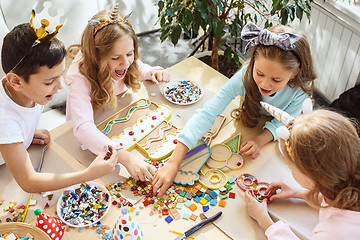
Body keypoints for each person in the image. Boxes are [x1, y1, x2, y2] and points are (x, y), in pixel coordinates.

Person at [152, 21, 317, 196]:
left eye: (276, 80)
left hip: (276, 136)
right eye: (259, 73)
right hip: (249, 118)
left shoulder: (301, 87)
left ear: (294, 74)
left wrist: (259, 140)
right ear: (253, 62)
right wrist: (173, 163)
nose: (265, 83)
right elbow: (208, 113)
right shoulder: (243, 77)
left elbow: (285, 122)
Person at [0, 20, 117, 193]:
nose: (60, 86)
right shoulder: (5, 121)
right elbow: (29, 182)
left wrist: (23, 136)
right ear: (16, 81)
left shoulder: (27, 91)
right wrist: (89, 174)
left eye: (60, 76)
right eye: (49, 82)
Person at [66, 4, 169, 182]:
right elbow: (83, 128)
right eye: (115, 58)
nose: (126, 63)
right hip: (90, 136)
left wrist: (152, 71)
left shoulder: (126, 59)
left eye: (130, 54)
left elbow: (139, 67)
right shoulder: (79, 74)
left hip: (116, 119)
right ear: (96, 56)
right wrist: (126, 158)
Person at [245, 104, 360, 239]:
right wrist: (300, 194)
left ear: (312, 179)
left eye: (290, 167)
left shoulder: (331, 232)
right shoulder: (348, 176)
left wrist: (264, 221)